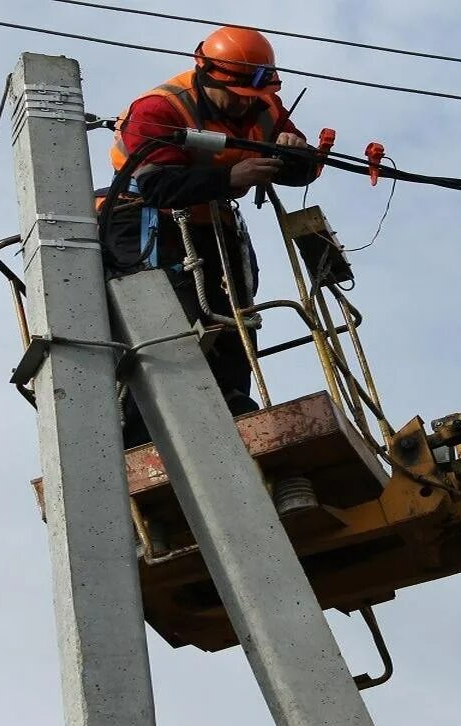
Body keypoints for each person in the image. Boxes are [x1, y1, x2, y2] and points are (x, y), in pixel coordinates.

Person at [101, 26, 320, 442]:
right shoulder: (159, 109)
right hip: (146, 223)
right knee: (172, 321)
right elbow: (156, 186)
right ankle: (141, 426)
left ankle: (233, 401)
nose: (243, 105)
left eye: (252, 98)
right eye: (236, 96)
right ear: (206, 75)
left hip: (212, 224)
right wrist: (230, 176)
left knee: (237, 315)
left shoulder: (263, 104)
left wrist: (296, 154)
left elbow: (302, 170)